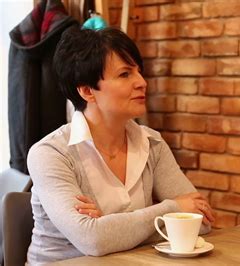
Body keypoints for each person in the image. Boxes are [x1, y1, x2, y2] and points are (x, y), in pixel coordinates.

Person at [26, 26, 215, 264]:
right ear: (87, 91)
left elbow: (201, 221)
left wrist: (109, 225)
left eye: (139, 71)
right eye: (125, 74)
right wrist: (172, 209)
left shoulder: (152, 143)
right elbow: (93, 240)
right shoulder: (50, 154)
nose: (142, 82)